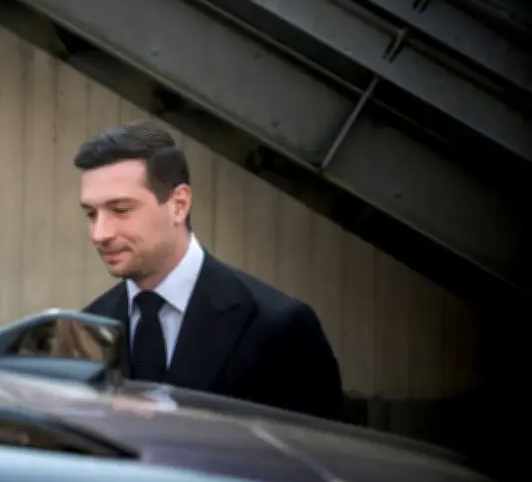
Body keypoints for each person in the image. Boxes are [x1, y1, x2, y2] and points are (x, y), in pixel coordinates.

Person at [75, 120, 344, 420]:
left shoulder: (280, 327)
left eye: (120, 210)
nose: (100, 233)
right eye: (91, 214)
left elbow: (321, 448)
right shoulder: (87, 331)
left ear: (179, 204)